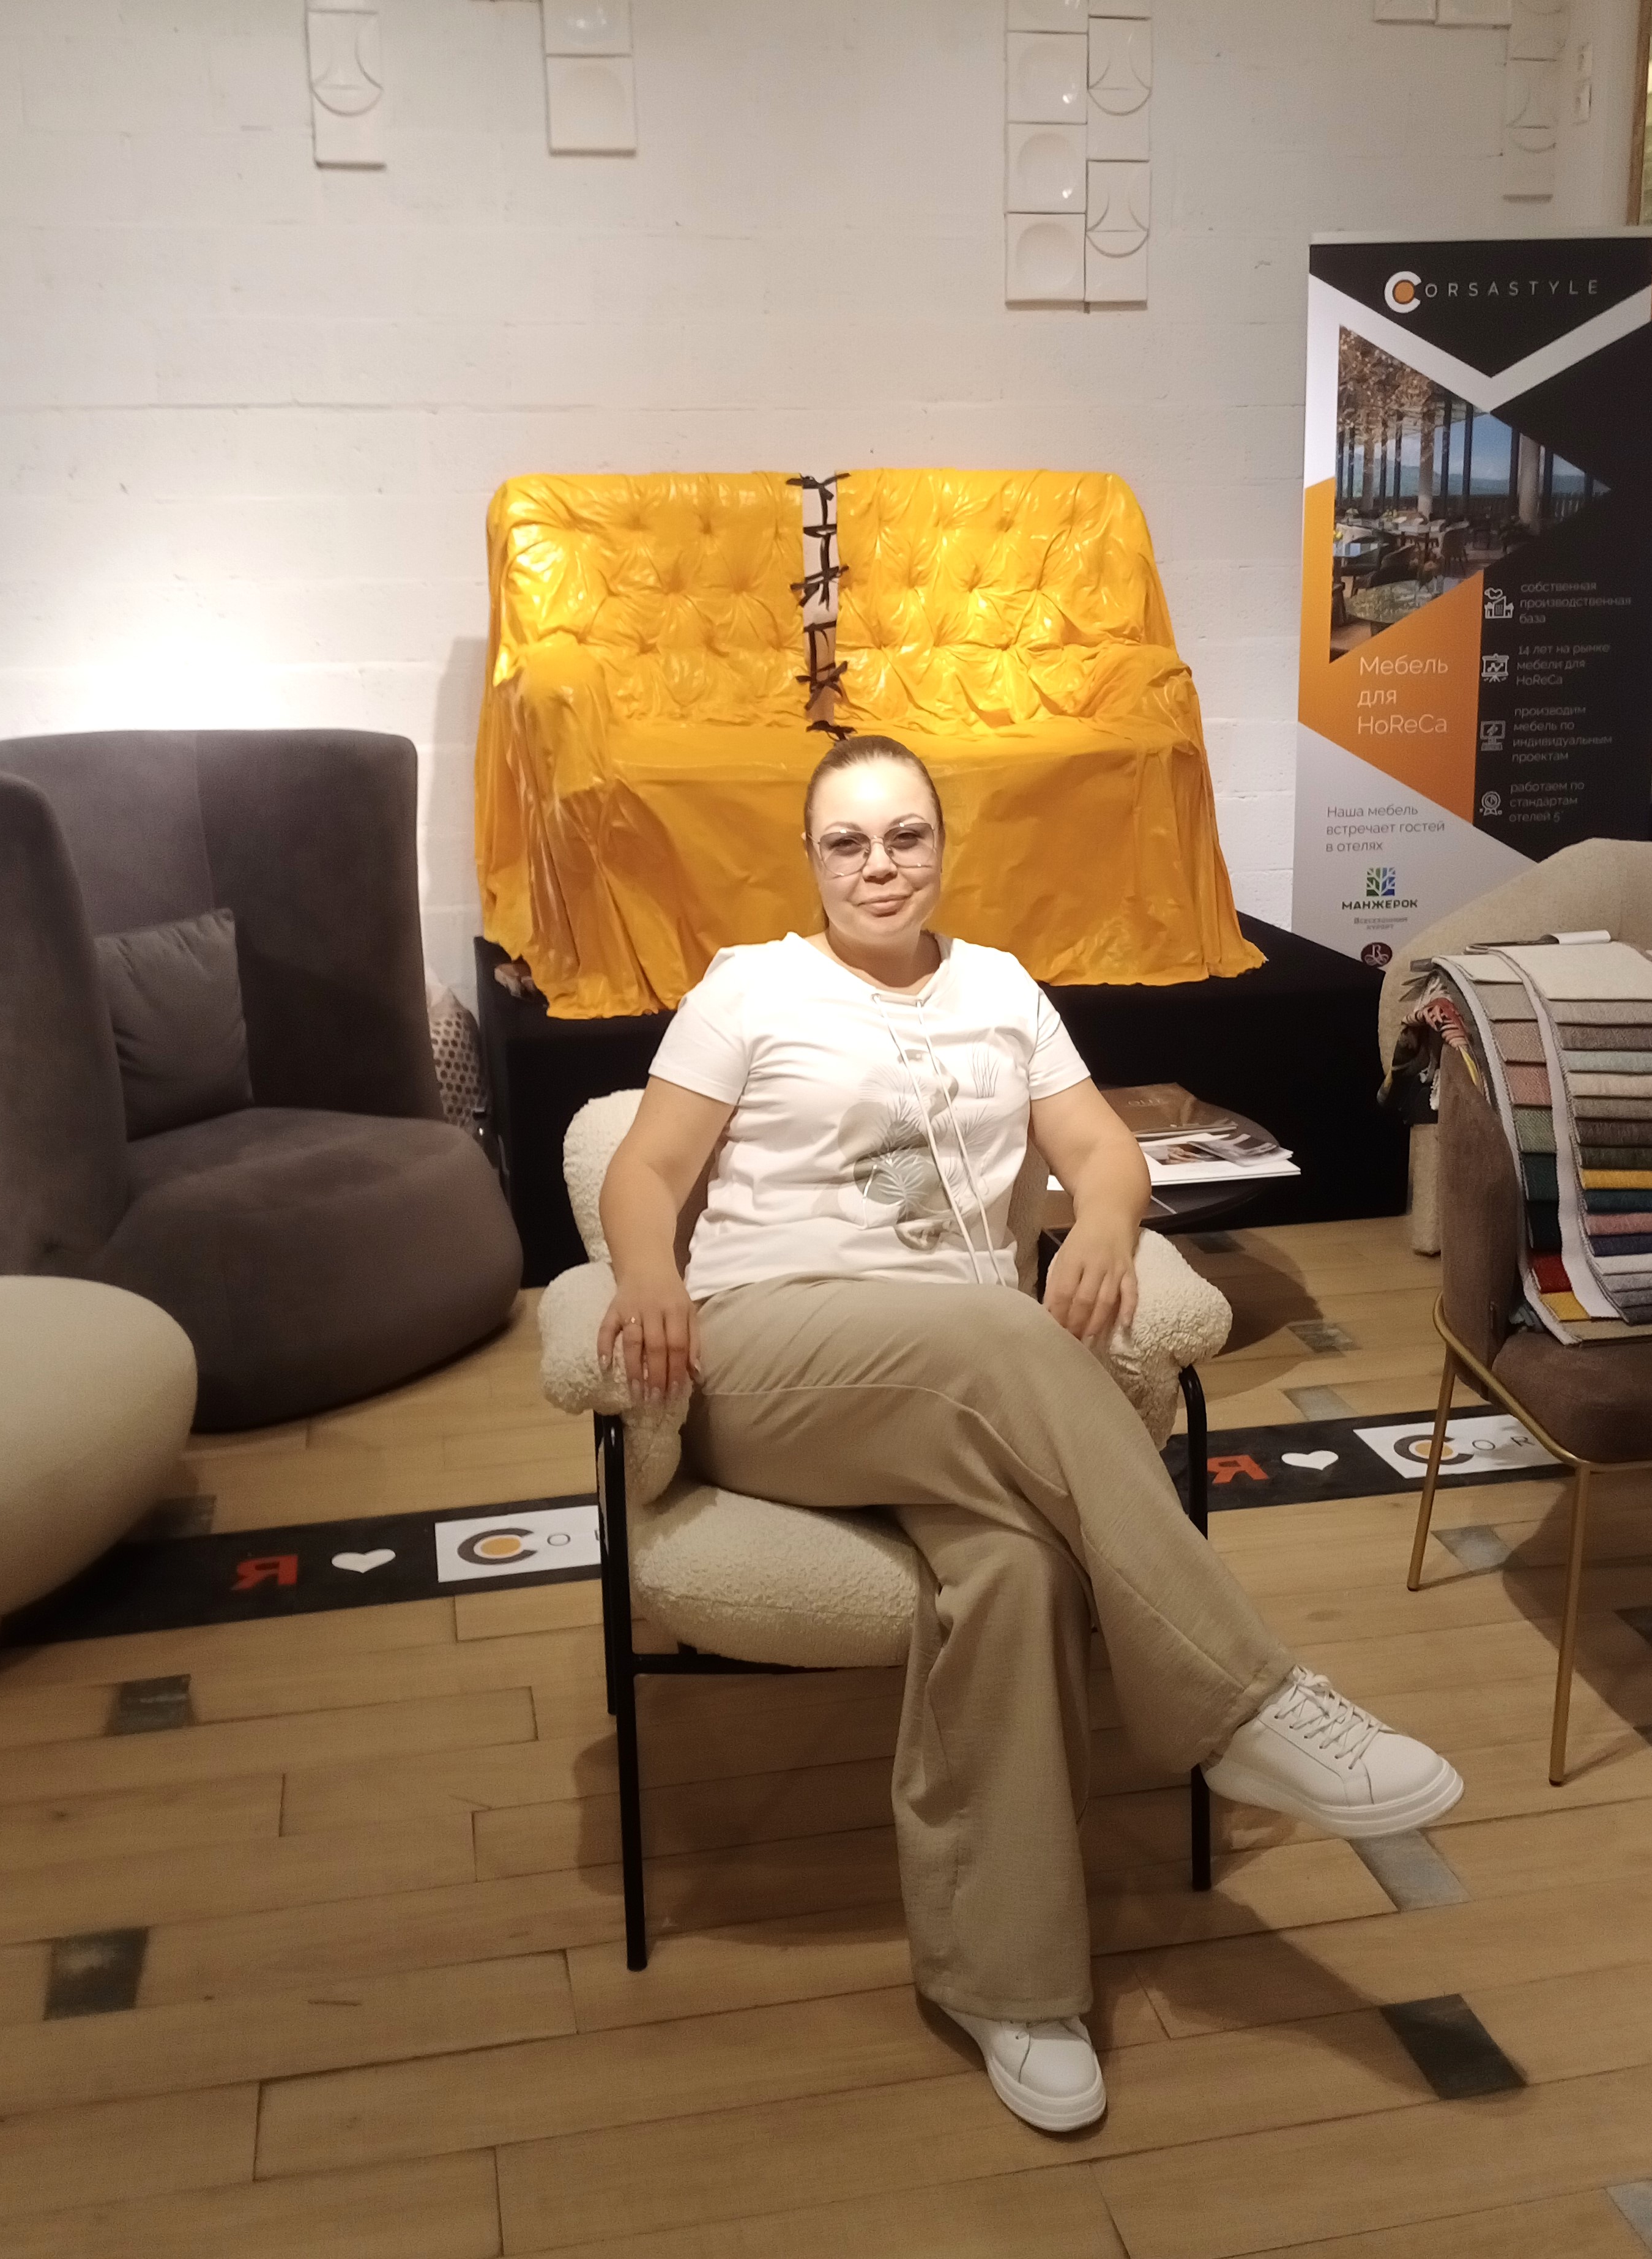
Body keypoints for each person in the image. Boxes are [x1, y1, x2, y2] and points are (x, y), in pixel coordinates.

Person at [595, 734, 1462, 2134]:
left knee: (1016, 1571)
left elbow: (1102, 1149)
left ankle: (1011, 1982)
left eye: (905, 836)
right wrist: (645, 1272)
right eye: (846, 842)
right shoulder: (749, 986)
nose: (879, 864)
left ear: (942, 845)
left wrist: (1106, 1224)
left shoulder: (1000, 988)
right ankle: (1242, 1702)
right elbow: (647, 1166)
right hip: (770, 1354)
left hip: (959, 1396)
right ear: (809, 859)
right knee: (1002, 1336)